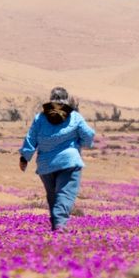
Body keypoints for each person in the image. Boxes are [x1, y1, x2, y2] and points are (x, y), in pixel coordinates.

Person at [19, 87, 95, 230]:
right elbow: (88, 135)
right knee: (65, 193)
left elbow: (31, 138)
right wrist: (84, 144)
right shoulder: (75, 116)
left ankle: (56, 226)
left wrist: (25, 158)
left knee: (53, 196)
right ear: (66, 99)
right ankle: (60, 224)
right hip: (69, 162)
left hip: (45, 165)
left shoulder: (40, 118)